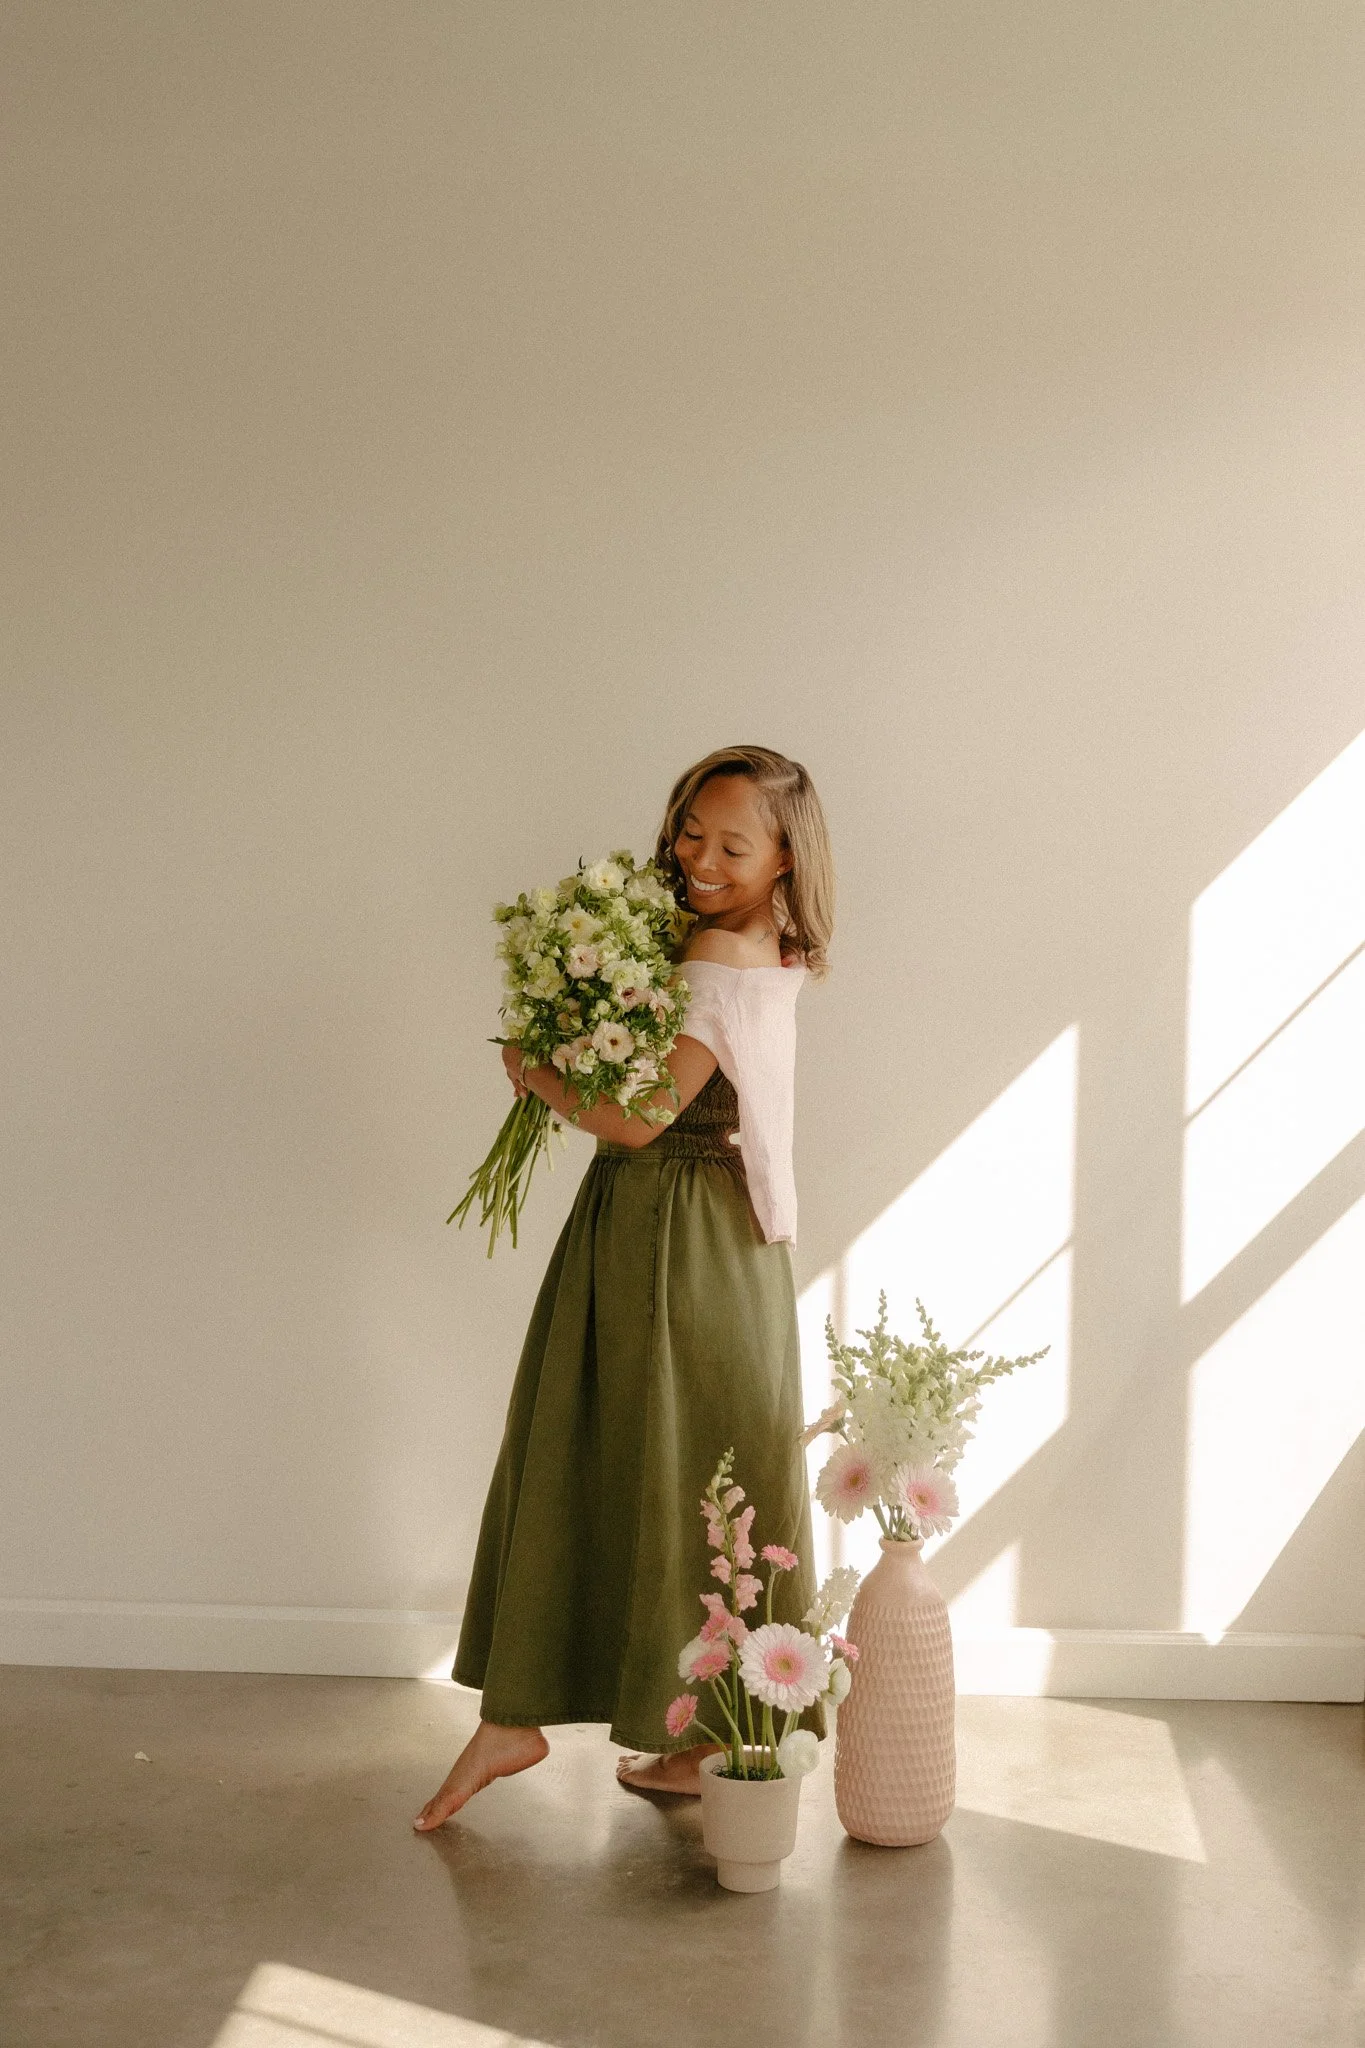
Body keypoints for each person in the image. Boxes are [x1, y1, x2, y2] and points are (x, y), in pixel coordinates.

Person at [414, 744, 835, 1828]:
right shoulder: (771, 944)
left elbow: (641, 1118)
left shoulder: (714, 954)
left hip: (666, 1231)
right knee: (706, 1474)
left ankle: (529, 1716)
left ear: (787, 856)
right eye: (691, 828)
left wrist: (536, 1071)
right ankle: (705, 1735)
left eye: (731, 842)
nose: (698, 854)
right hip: (729, 1240)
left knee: (602, 1448)